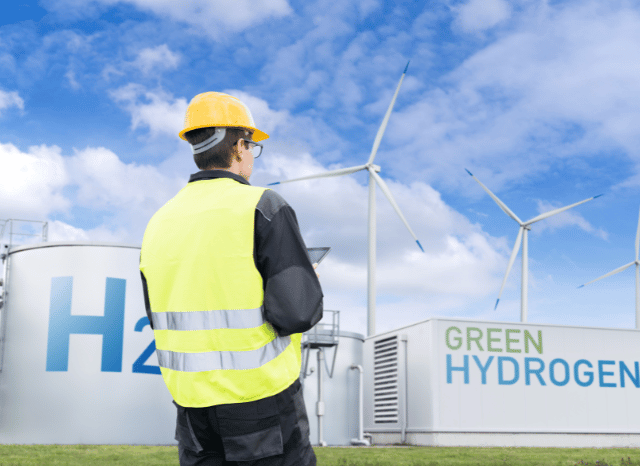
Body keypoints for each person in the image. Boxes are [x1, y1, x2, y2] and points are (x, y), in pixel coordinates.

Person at [139, 91, 323, 465]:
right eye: (252, 147)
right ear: (240, 147)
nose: (251, 155)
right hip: (262, 401)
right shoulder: (264, 205)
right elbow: (297, 312)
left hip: (191, 406)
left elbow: (160, 309)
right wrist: (306, 277)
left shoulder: (159, 221)